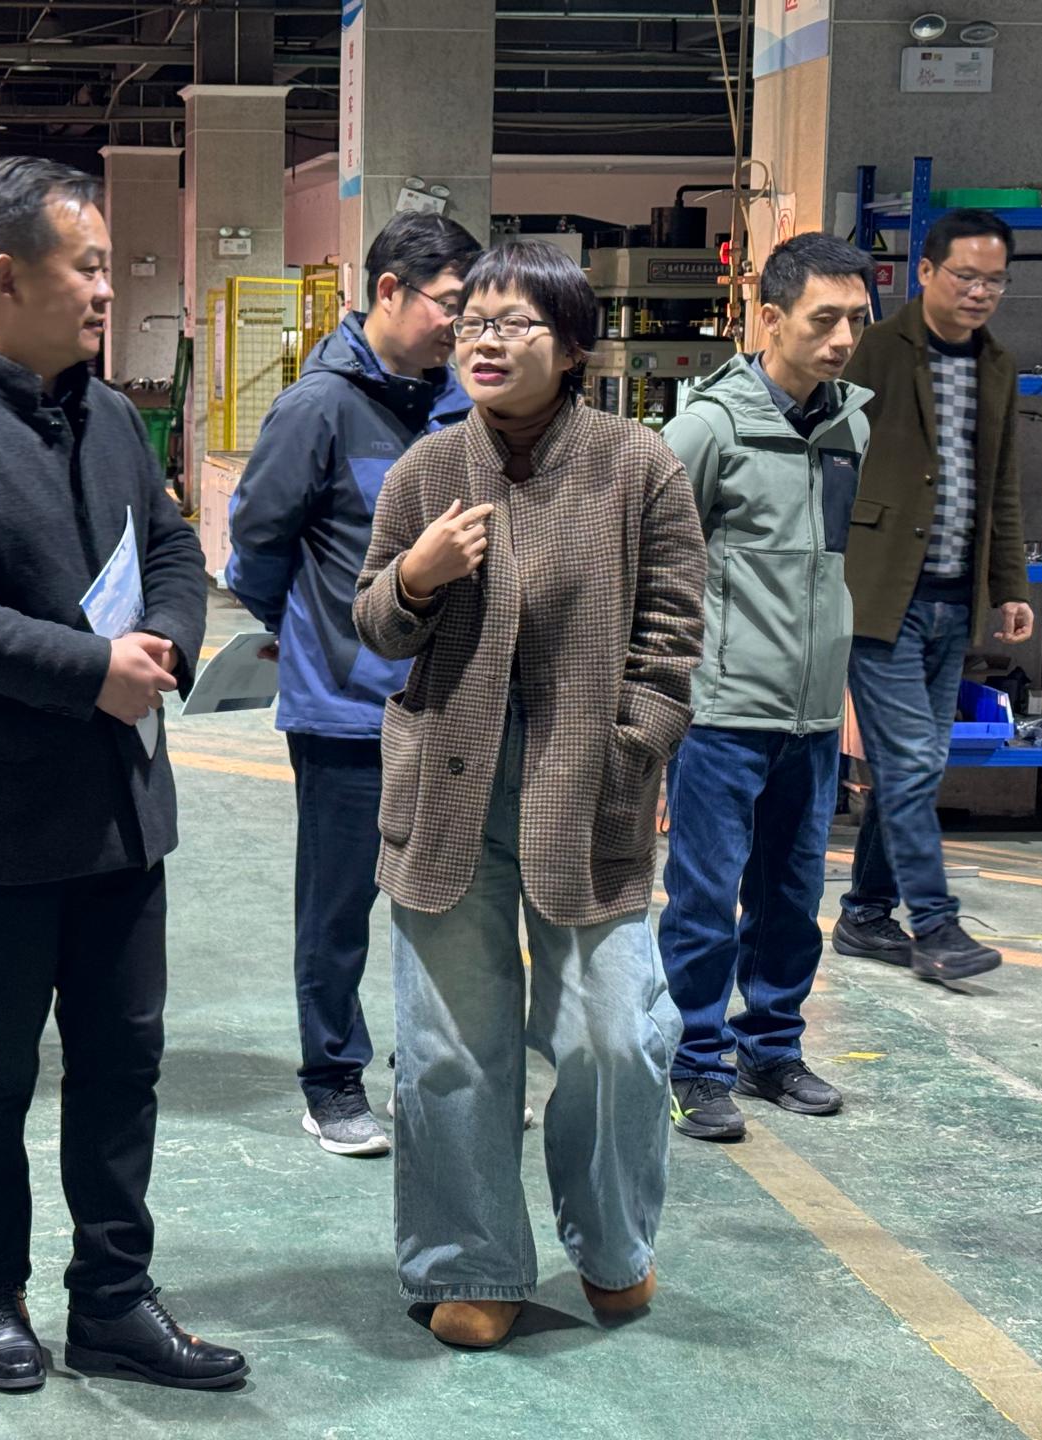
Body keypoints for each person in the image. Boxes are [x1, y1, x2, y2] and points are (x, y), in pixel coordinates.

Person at [0, 157, 246, 1393]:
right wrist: (90, 671)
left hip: (122, 810)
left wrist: (165, 640)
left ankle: (114, 1300)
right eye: (88, 266)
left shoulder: (109, 415)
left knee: (125, 1063)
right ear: (7, 277)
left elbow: (172, 544)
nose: (106, 289)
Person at [352, 241, 704, 1351]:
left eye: (513, 325)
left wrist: (632, 744)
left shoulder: (637, 466)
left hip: (586, 785)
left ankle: (612, 1242)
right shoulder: (426, 471)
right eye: (471, 324)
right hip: (446, 788)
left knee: (615, 1035)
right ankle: (472, 1260)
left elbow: (673, 633)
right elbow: (372, 622)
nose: (485, 342)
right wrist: (417, 578)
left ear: (576, 347)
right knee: (451, 1046)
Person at [226, 210, 481, 1157]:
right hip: (346, 710)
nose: (461, 326)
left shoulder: (462, 408)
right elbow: (256, 550)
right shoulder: (318, 409)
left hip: (449, 706)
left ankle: (438, 1066)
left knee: (451, 899)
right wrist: (320, 638)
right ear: (388, 291)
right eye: (449, 305)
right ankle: (331, 1080)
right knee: (339, 907)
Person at [656, 233, 874, 1143]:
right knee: (705, 901)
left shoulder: (850, 426)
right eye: (824, 320)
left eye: (857, 320)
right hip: (721, 712)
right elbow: (652, 564)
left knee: (790, 902)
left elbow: (828, 573)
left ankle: (771, 1046)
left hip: (811, 715)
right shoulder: (708, 430)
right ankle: (693, 1061)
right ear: (771, 317)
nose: (842, 339)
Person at [830, 209, 1034, 986]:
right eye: (965, 277)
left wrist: (1009, 587)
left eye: (994, 281)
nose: (980, 293)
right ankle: (937, 924)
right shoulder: (875, 350)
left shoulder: (997, 366)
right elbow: (830, 456)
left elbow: (1001, 487)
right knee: (913, 758)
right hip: (882, 591)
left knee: (911, 764)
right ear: (925, 272)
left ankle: (865, 913)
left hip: (956, 596)